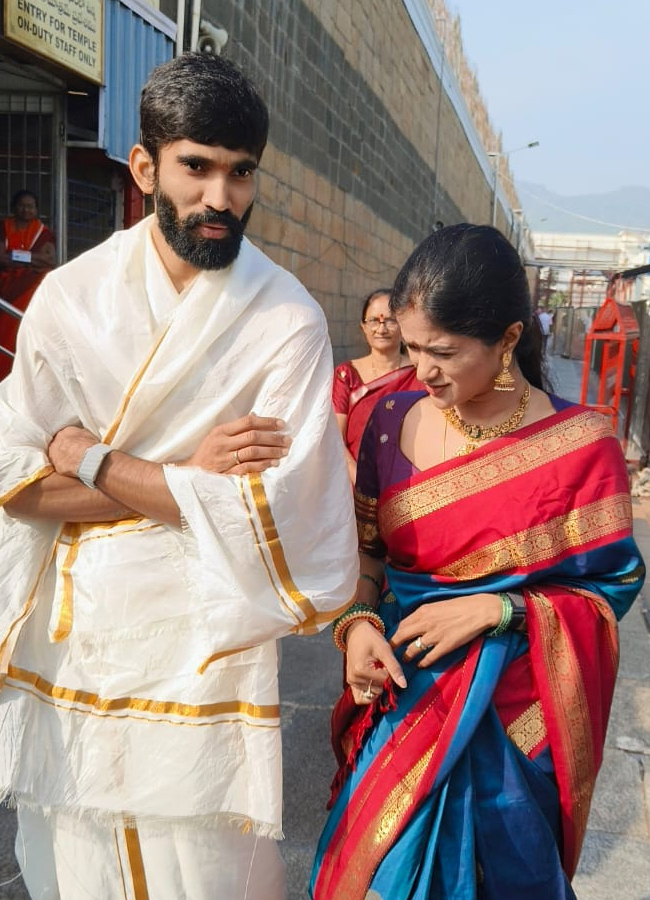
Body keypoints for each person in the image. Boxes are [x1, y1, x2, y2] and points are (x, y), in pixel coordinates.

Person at [0, 53, 358, 899]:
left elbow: (277, 518)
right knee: (70, 866)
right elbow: (19, 487)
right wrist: (185, 484)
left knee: (204, 875)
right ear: (143, 166)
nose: (220, 197)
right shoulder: (69, 300)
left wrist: (95, 459)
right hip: (76, 648)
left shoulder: (285, 322)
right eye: (196, 166)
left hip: (199, 654)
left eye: (240, 174)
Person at [310, 224, 645, 900]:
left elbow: (611, 587)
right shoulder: (385, 422)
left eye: (443, 352)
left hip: (515, 715)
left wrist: (501, 608)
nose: (421, 370)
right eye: (409, 348)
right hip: (404, 693)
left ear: (509, 339)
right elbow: (365, 556)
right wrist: (357, 628)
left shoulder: (582, 447)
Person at [333, 288, 421, 483]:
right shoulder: (346, 374)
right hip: (352, 482)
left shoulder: (420, 373)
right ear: (363, 327)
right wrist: (359, 480)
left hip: (408, 481)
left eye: (390, 320)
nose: (381, 328)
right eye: (374, 321)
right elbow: (335, 437)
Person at [0, 189, 56, 379]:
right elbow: (2, 259)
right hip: (6, 284)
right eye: (22, 205)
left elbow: (48, 260)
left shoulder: (43, 233)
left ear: (37, 209)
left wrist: (16, 256)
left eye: (30, 206)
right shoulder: (4, 227)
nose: (26, 209)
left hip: (28, 285)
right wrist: (32, 259)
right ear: (15, 207)